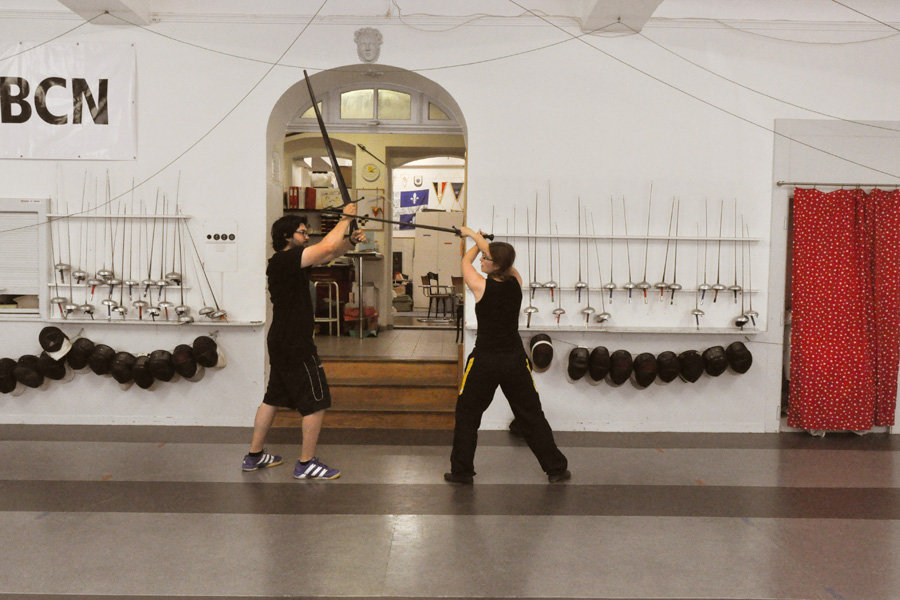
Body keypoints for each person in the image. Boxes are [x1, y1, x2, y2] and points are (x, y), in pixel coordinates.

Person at [242, 204, 366, 479]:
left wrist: (350, 240)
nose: (306, 236)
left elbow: (330, 252)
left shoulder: (292, 261)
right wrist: (345, 219)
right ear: (287, 236)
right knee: (316, 401)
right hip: (294, 342)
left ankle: (254, 456)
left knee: (273, 398)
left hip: (282, 340)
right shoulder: (284, 260)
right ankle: (306, 463)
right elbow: (325, 247)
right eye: (302, 232)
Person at [445, 226, 570, 484]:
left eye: (486, 258)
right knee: (531, 415)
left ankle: (461, 472)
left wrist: (473, 236)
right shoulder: (516, 283)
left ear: (496, 265)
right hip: (515, 360)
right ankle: (556, 469)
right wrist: (482, 241)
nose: (481, 260)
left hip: (485, 361)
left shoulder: (480, 286)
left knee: (467, 415)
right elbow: (502, 262)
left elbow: (465, 262)